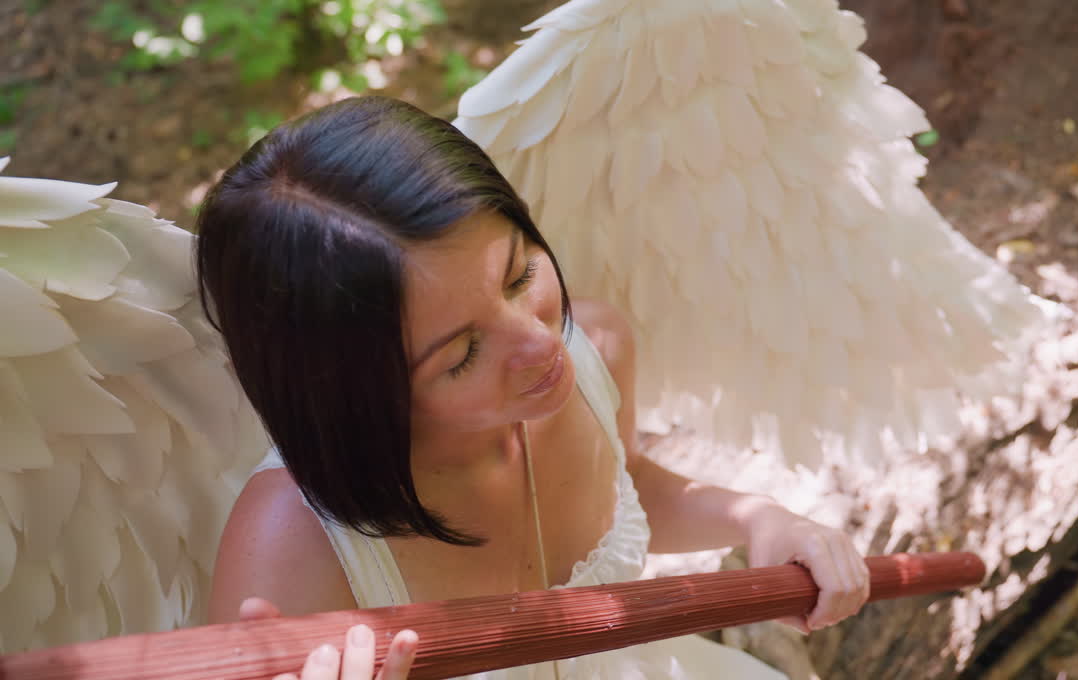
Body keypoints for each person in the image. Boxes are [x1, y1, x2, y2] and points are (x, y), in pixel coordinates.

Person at [197, 96, 869, 679]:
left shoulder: (594, 350)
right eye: (462, 354)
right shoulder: (289, 544)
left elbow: (621, 482)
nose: (543, 343)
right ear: (354, 396)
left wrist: (758, 519)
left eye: (518, 277)